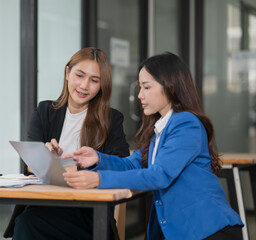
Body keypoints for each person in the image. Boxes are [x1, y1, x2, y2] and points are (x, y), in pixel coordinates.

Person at [63, 52, 244, 240]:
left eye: (146, 87)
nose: (140, 95)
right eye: (139, 87)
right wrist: (98, 159)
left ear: (169, 86)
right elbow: (132, 164)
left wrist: (98, 179)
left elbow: (160, 175)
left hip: (207, 231)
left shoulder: (186, 124)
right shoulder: (160, 129)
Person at [3, 47, 130, 239]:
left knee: (29, 224)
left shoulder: (111, 119)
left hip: (89, 212)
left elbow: (122, 164)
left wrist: (75, 170)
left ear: (102, 85)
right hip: (45, 204)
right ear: (67, 72)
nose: (84, 86)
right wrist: (46, 157)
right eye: (80, 75)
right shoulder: (44, 111)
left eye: (94, 80)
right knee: (29, 221)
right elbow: (28, 166)